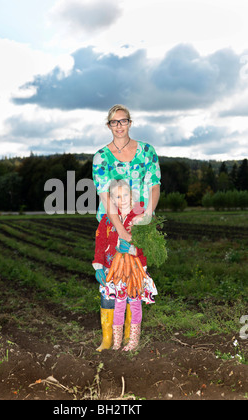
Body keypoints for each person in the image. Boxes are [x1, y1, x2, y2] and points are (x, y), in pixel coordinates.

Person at [92, 104, 161, 351]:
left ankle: (132, 341)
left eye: (123, 121)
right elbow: (103, 194)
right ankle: (108, 339)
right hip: (111, 226)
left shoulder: (147, 151)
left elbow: (154, 184)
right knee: (110, 282)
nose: (119, 126)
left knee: (134, 280)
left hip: (139, 222)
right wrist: (121, 230)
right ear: (108, 125)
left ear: (130, 123)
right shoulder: (101, 157)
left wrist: (147, 217)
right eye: (114, 122)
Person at [92, 179, 158, 351]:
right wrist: (98, 265)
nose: (122, 199)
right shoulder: (107, 220)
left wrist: (135, 250)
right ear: (112, 200)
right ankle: (109, 340)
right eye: (117, 196)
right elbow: (100, 242)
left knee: (132, 302)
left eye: (125, 194)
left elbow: (151, 245)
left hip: (134, 268)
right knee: (108, 301)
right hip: (111, 268)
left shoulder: (140, 216)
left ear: (131, 194)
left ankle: (130, 338)